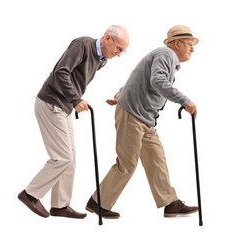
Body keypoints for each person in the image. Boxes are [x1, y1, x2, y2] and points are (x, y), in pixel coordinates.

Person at [85, 25, 198, 219]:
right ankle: (98, 203)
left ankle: (171, 203)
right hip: (133, 115)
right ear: (177, 43)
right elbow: (158, 81)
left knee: (156, 159)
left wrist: (121, 93)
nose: (193, 49)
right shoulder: (165, 55)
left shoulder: (164, 57)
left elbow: (139, 75)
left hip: (144, 118)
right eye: (189, 44)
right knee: (127, 164)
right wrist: (184, 100)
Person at [18, 25, 129, 219]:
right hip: (51, 103)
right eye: (118, 49)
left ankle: (60, 205)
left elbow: (77, 78)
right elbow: (60, 72)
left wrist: (74, 100)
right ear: (108, 38)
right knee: (62, 157)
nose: (119, 54)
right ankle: (30, 194)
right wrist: (76, 99)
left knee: (71, 158)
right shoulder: (82, 45)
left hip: (65, 107)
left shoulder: (101, 60)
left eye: (122, 51)